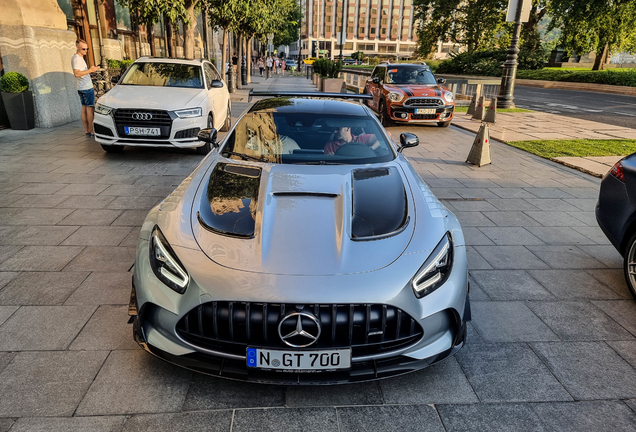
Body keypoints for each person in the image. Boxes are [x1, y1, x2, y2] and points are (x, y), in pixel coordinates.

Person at [72, 39, 99, 138]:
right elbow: (77, 73)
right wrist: (90, 70)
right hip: (86, 87)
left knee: (84, 107)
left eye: (87, 49)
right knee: (89, 109)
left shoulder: (78, 58)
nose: (85, 51)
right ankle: (91, 131)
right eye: (83, 49)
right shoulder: (77, 59)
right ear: (77, 47)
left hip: (81, 87)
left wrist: (91, 69)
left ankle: (87, 131)